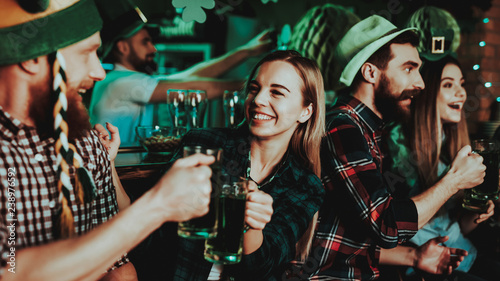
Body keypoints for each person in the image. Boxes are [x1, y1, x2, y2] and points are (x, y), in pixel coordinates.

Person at [0, 0, 215, 280]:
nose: (99, 72)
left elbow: (116, 263)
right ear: (32, 58)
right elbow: (11, 272)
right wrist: (157, 205)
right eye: (86, 53)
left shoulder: (86, 142)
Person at [299, 15, 486, 280]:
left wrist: (414, 256)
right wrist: (454, 181)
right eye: (409, 69)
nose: (420, 83)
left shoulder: (370, 131)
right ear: (370, 72)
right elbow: (385, 225)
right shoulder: (342, 127)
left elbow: (351, 237)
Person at [159, 50, 325, 280]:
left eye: (277, 92)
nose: (257, 100)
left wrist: (251, 224)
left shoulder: (305, 185)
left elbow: (260, 268)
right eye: (254, 89)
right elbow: (151, 221)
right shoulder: (204, 144)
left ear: (306, 111)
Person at [89, 0, 273, 144]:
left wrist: (249, 50)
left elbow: (189, 76)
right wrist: (262, 85)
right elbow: (196, 87)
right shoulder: (118, 83)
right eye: (145, 42)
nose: (154, 49)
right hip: (117, 170)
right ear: (122, 47)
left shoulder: (128, 79)